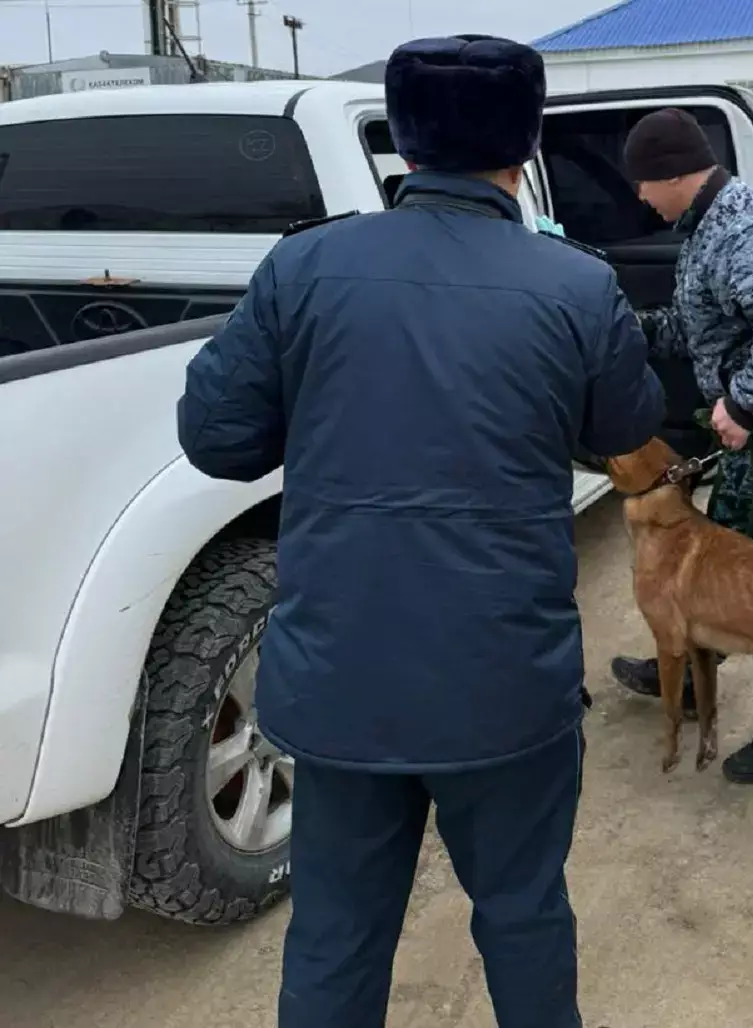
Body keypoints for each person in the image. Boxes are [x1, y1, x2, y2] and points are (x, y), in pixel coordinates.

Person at [177, 34, 664, 1028]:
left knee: (336, 933)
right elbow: (625, 428)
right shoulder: (575, 284)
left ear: (401, 138)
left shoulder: (303, 268)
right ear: (526, 147)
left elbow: (215, 436)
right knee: (525, 915)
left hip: (342, 677)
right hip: (505, 686)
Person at [609, 107, 753, 784]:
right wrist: (624, 328)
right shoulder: (706, 227)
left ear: (671, 174)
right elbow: (698, 324)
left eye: (642, 185)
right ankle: (684, 653)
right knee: (721, 564)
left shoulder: (745, 225)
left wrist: (744, 402)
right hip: (750, 444)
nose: (639, 199)